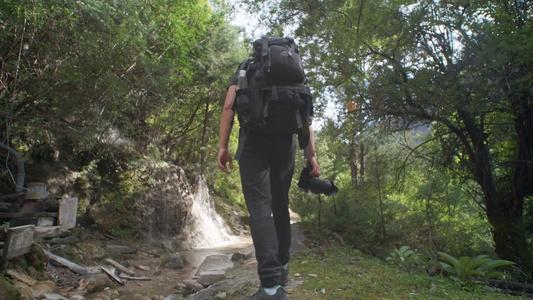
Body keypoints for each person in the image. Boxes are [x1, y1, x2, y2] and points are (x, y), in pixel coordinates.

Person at [218, 66, 321, 299]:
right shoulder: (294, 73)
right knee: (280, 205)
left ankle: (271, 287)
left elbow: (228, 108)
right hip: (286, 143)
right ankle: (282, 272)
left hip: (253, 141)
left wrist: (223, 147)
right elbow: (307, 115)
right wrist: (311, 155)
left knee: (259, 208)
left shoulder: (247, 68)